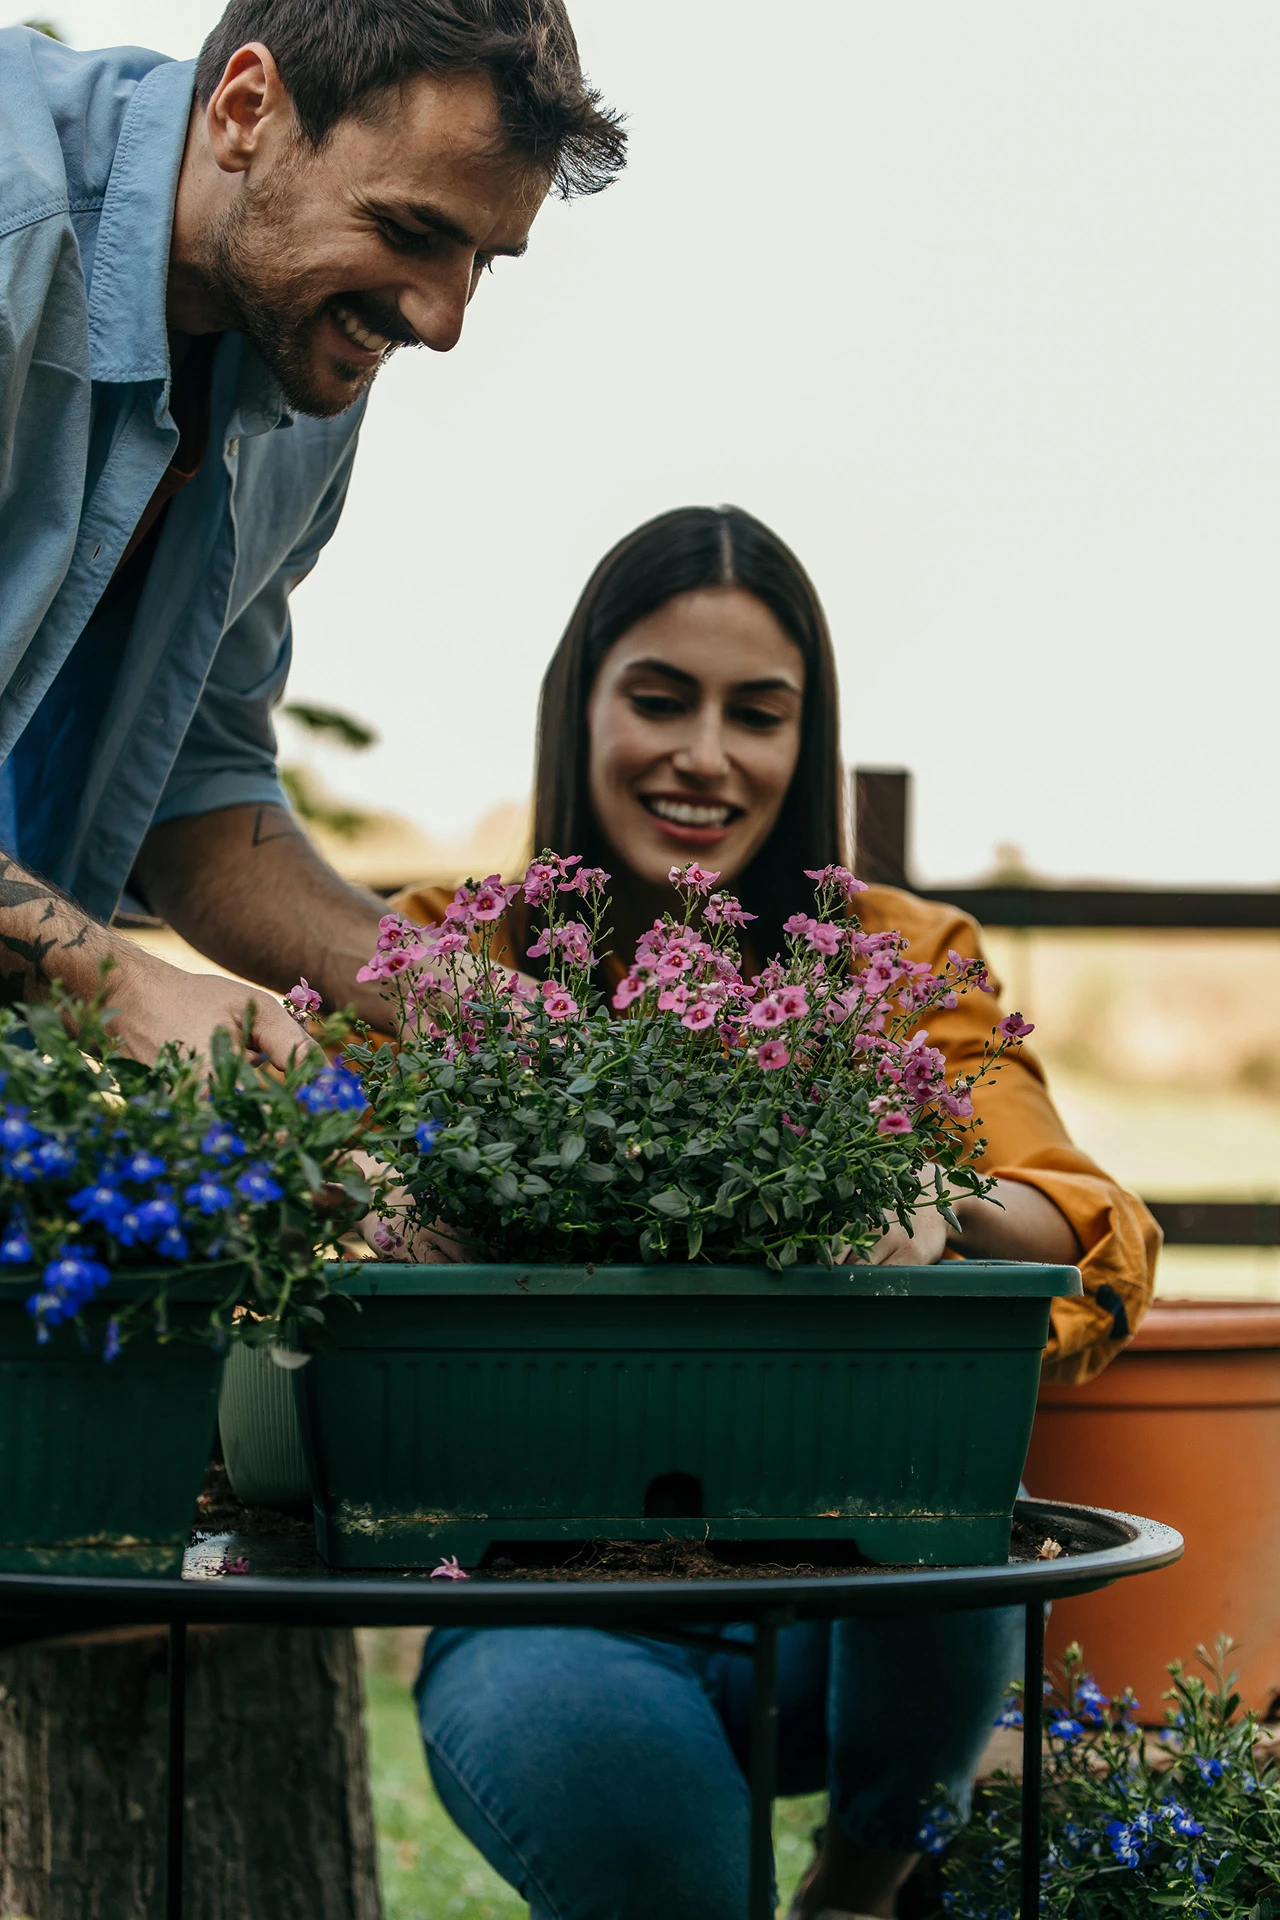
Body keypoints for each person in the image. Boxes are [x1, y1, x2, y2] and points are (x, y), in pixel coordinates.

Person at [390, 505, 1161, 1920]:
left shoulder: (891, 960)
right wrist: (374, 1194)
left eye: (760, 712)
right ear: (580, 708)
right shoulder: (456, 951)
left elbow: (1079, 1215)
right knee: (635, 1824)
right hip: (543, 1607)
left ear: (807, 742)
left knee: (954, 1537)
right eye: (661, 698)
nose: (707, 755)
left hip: (849, 1600)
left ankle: (861, 1889)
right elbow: (296, 1195)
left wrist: (933, 1201)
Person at [0, 0, 623, 1065]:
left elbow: (193, 789)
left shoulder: (303, 350)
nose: (441, 320)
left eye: (485, 258)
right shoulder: (15, 224)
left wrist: (457, 999)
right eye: (412, 232)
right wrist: (123, 986)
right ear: (247, 109)